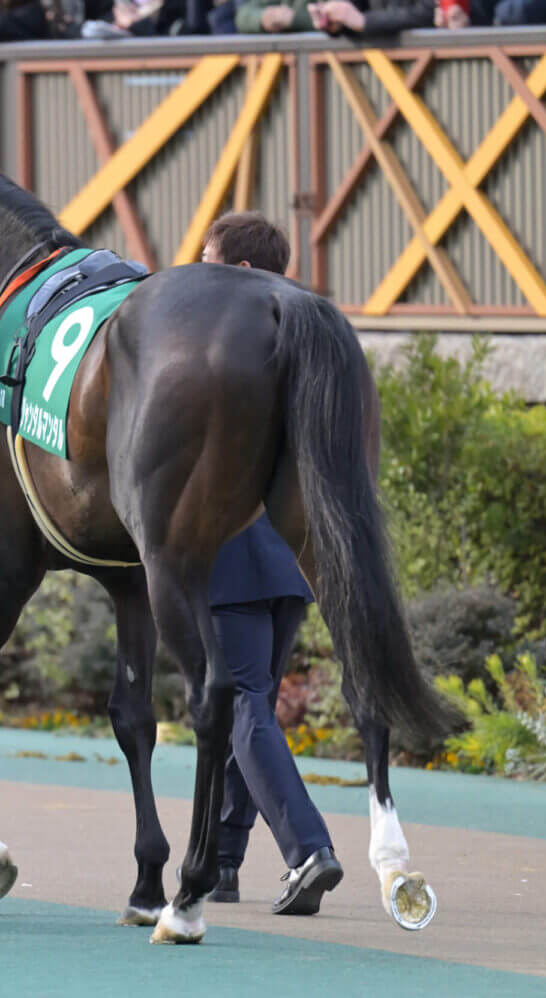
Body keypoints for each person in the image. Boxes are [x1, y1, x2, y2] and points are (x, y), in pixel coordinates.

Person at [199, 211, 343, 916]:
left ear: (242, 275)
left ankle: (308, 849)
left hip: (231, 562)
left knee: (246, 708)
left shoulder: (218, 351)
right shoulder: (298, 350)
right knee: (244, 707)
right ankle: (224, 863)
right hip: (283, 567)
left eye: (208, 260)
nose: (199, 273)